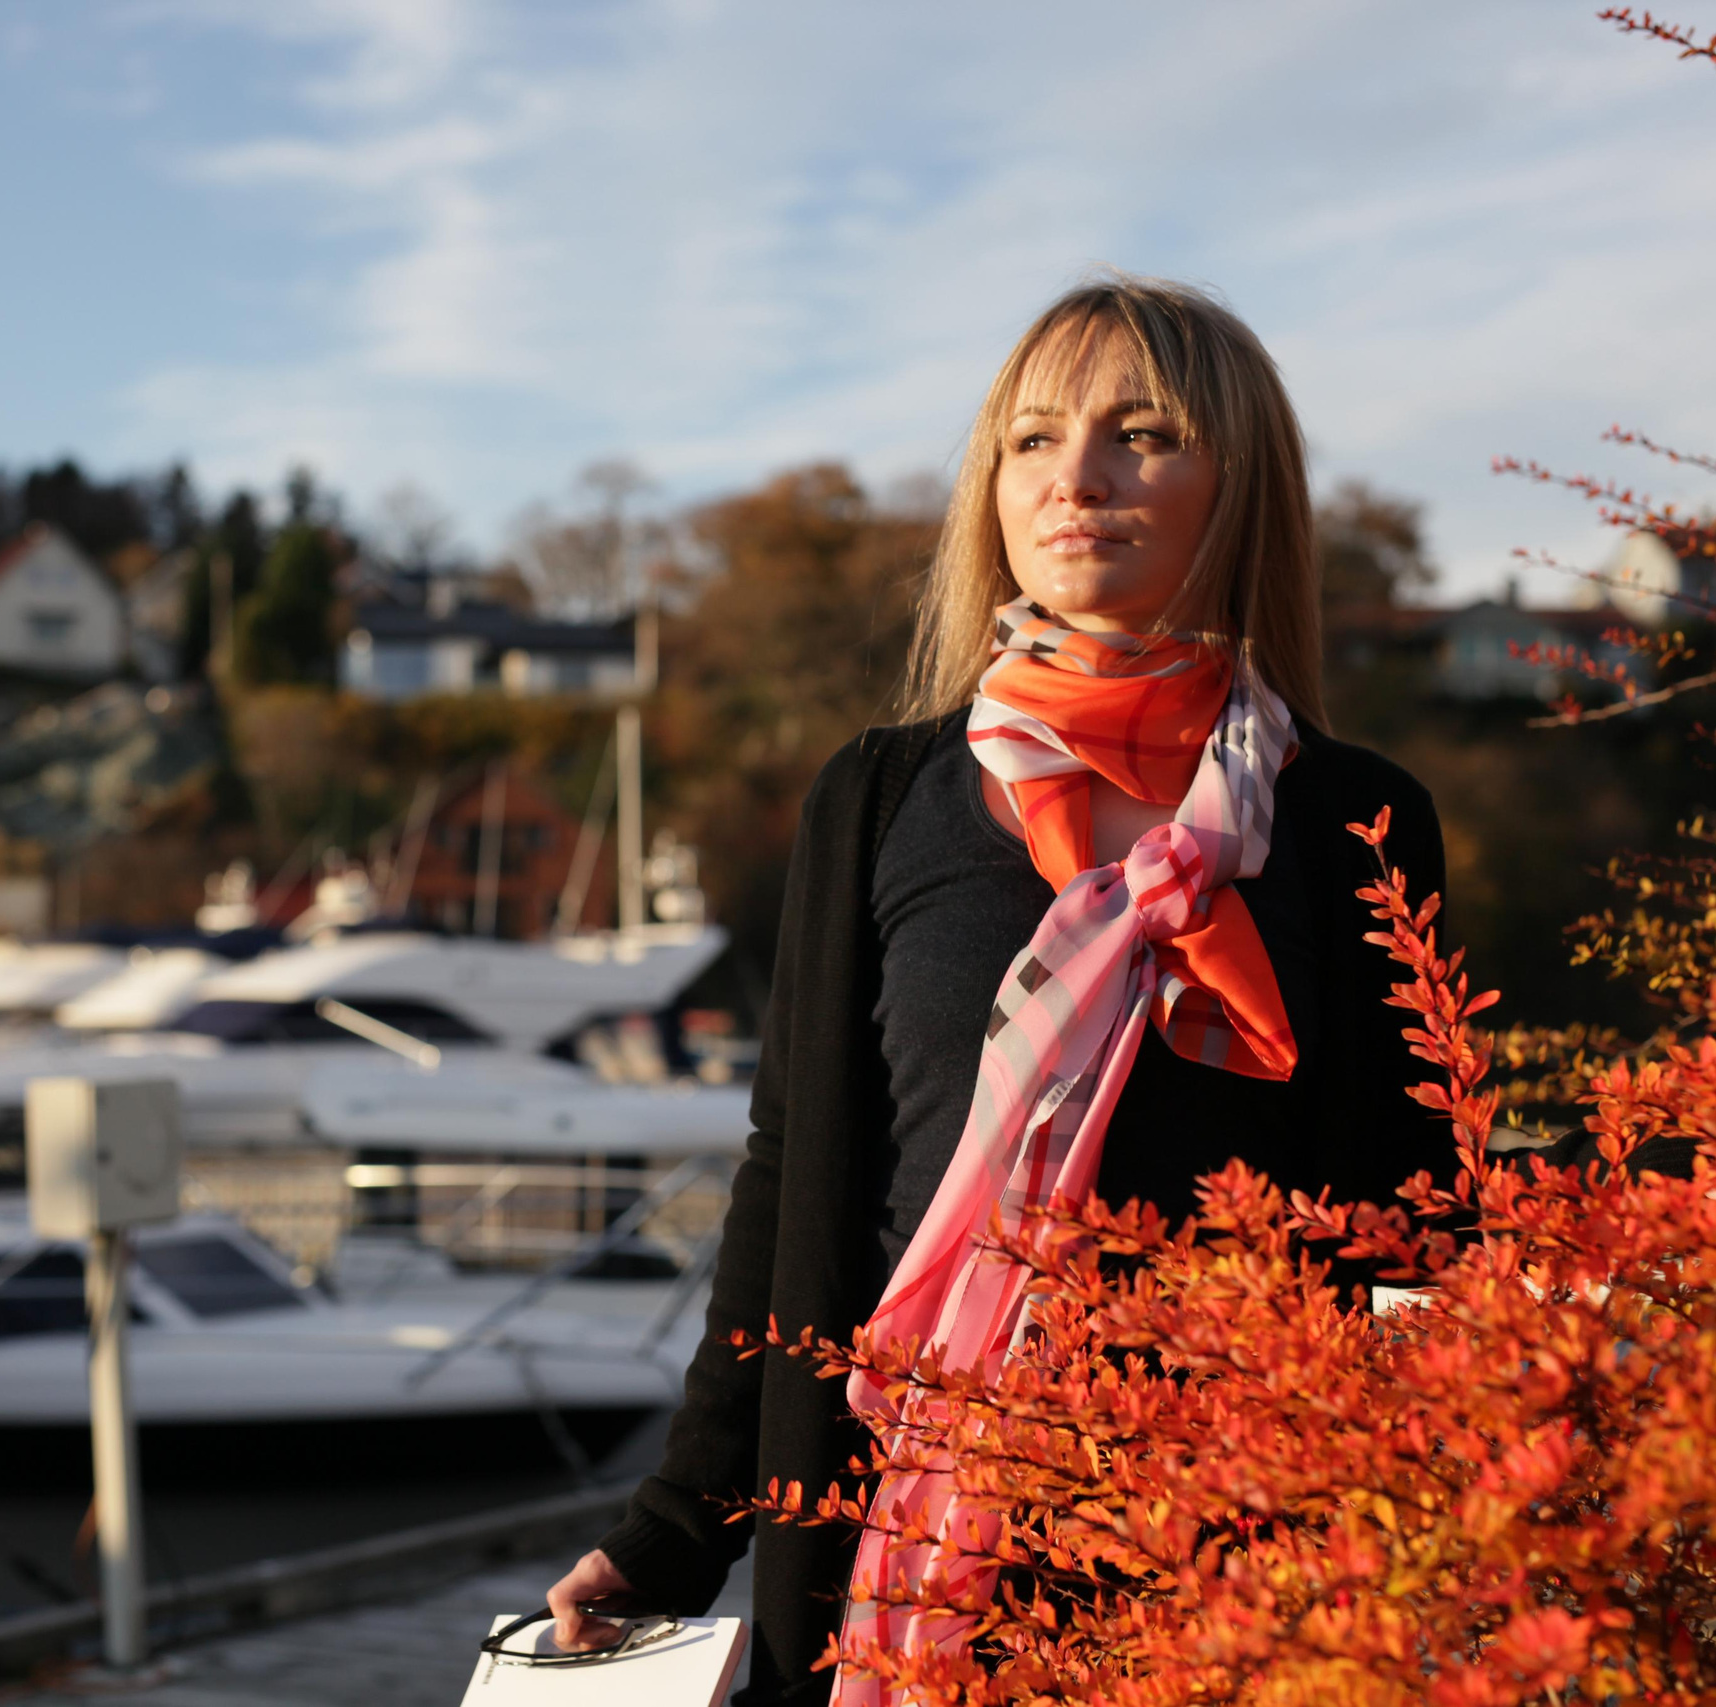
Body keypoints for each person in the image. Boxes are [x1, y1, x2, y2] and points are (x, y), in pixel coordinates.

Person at [542, 275, 1452, 1704]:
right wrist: (678, 1525)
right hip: (891, 1526)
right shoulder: (880, 794)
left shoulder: (1351, 821)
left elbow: (1415, 1217)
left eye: (1142, 435)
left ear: (1241, 484)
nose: (1075, 478)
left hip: (1230, 1553)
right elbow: (794, 1178)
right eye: (1032, 440)